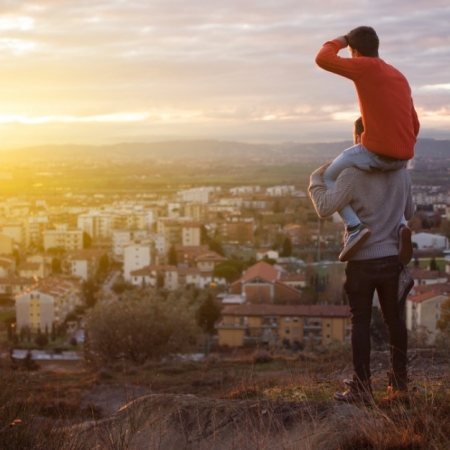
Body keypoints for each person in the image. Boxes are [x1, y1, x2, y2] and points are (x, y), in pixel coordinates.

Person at [308, 160, 415, 404]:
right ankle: (399, 384)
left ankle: (362, 387)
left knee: (361, 320)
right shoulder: (401, 174)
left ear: (359, 139)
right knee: (394, 320)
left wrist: (316, 177)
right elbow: (409, 211)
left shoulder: (352, 174)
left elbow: (324, 207)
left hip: (361, 260)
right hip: (391, 259)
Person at [315, 26, 420, 263]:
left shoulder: (364, 66)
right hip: (403, 156)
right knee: (392, 176)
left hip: (376, 151)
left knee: (327, 178)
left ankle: (354, 227)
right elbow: (414, 123)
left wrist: (341, 40)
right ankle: (401, 225)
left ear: (354, 51)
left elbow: (323, 58)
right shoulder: (399, 76)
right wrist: (402, 150)